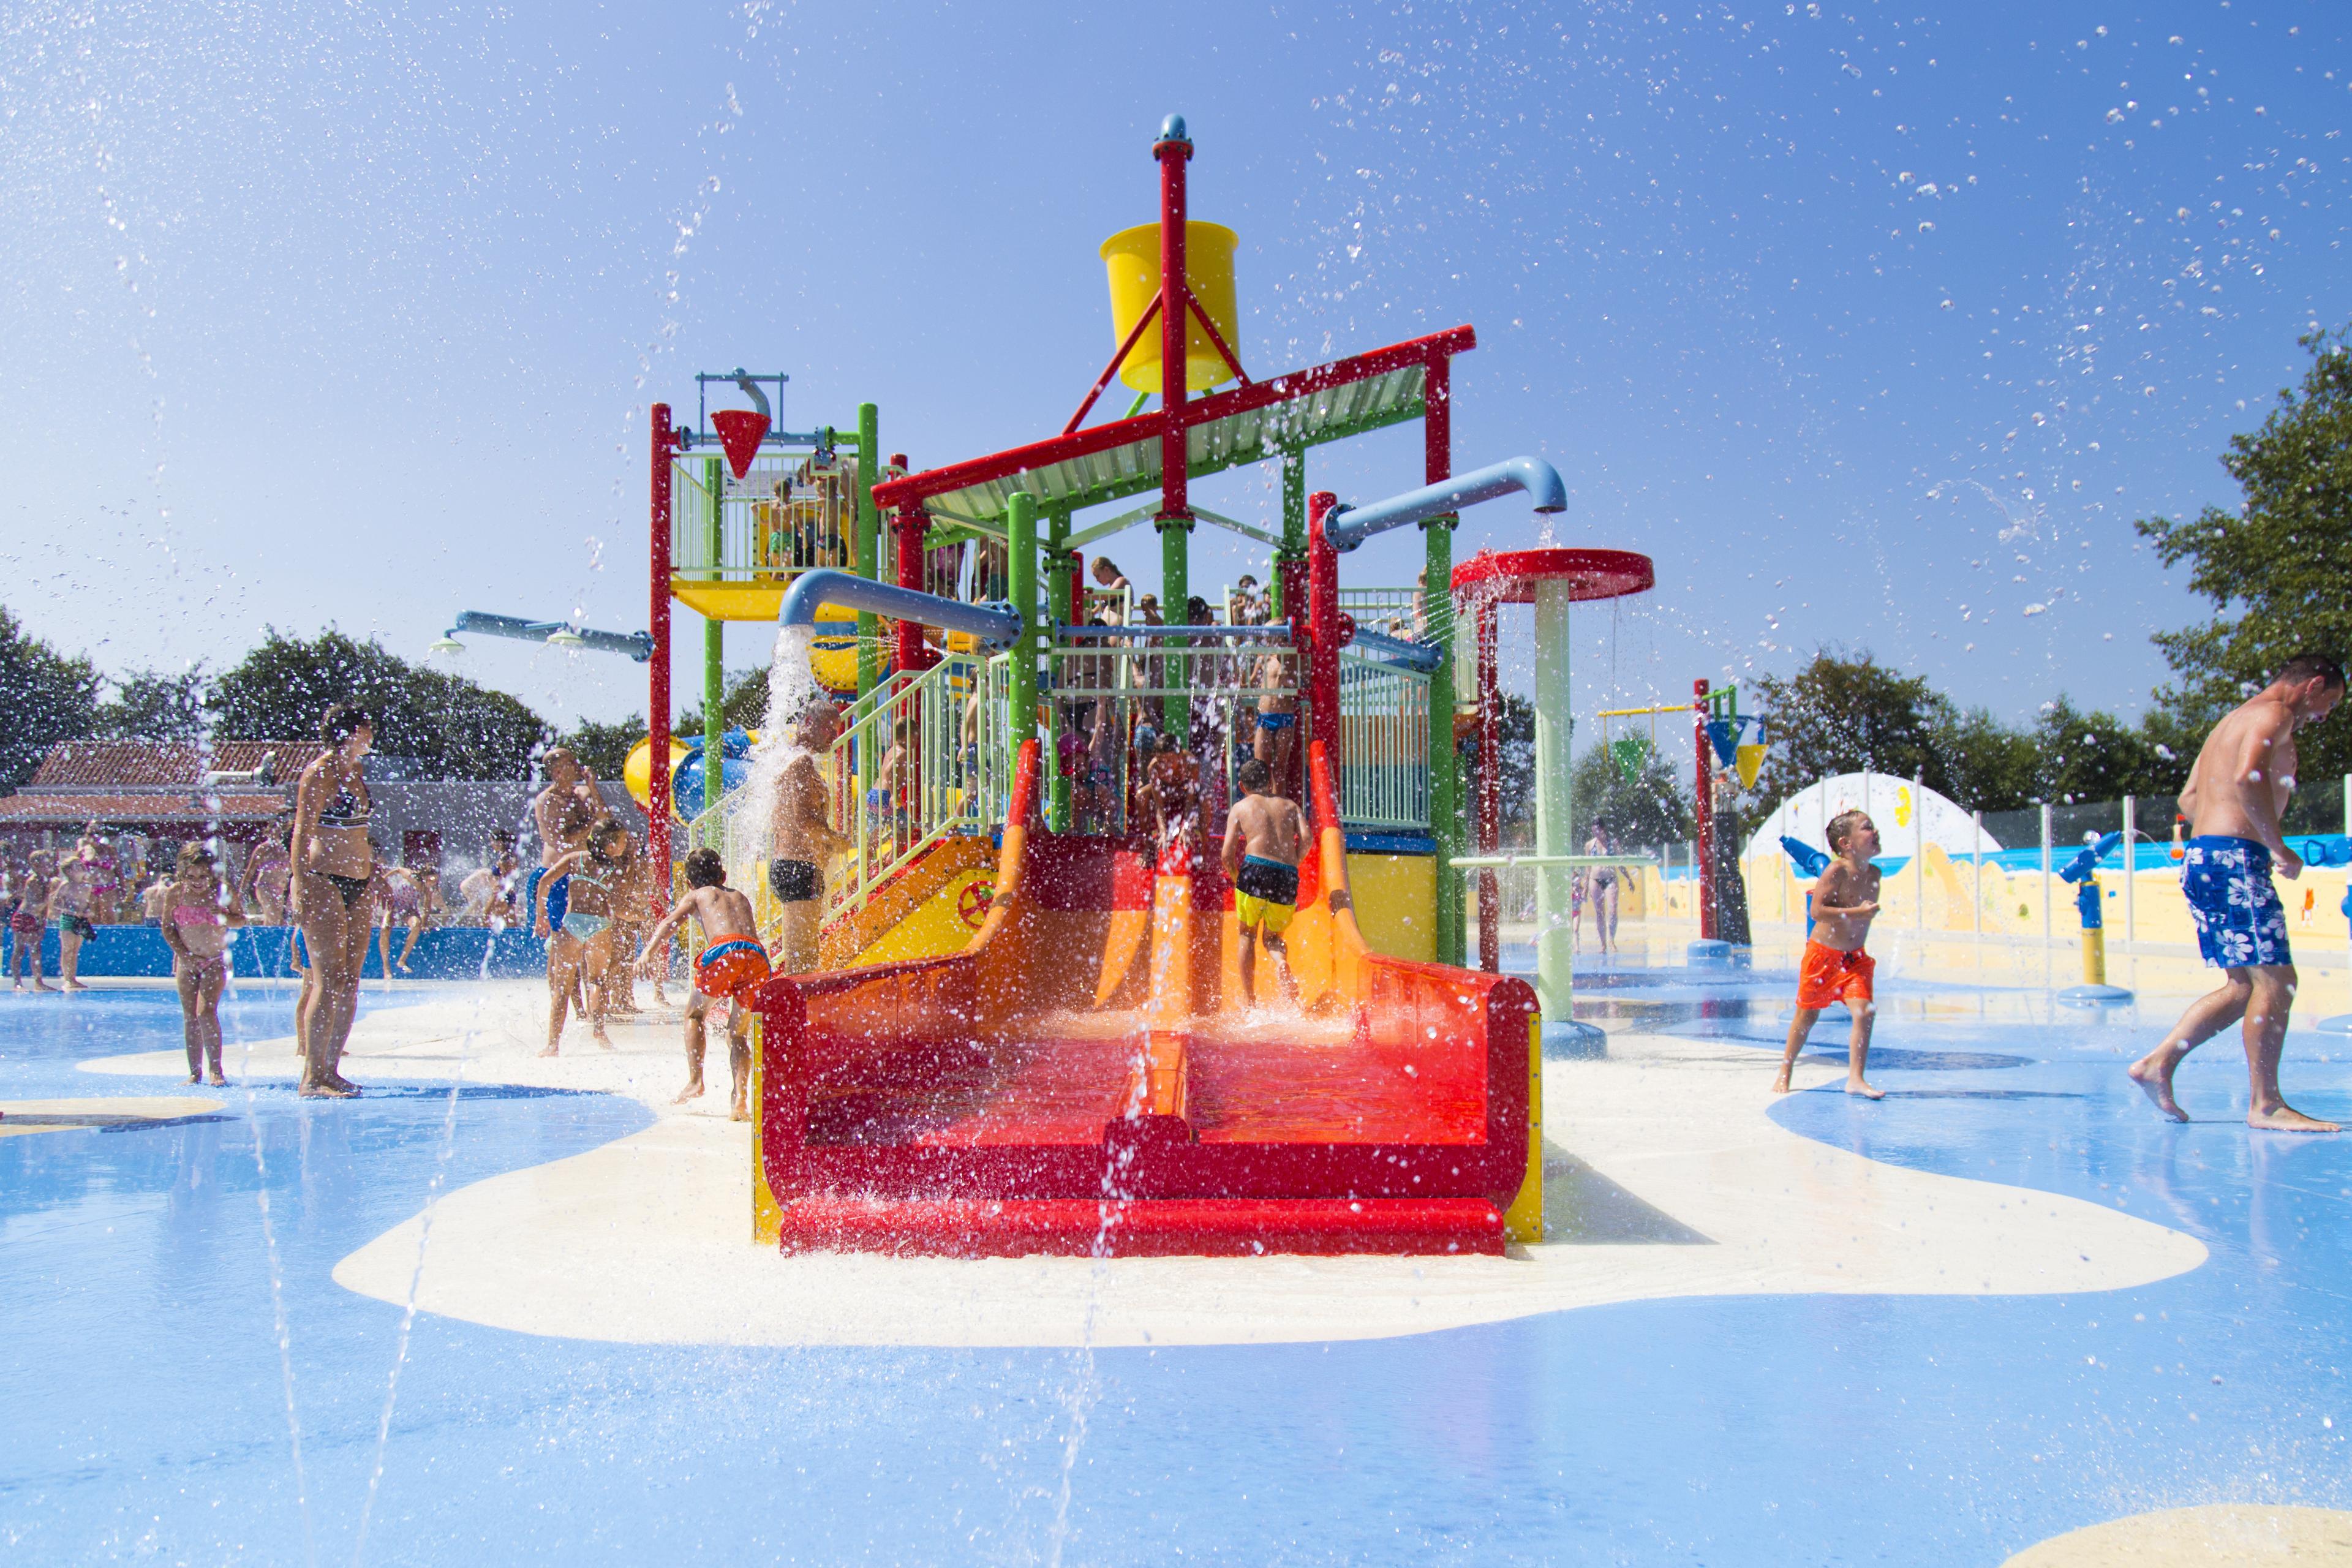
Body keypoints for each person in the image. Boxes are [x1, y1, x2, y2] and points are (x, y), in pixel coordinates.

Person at [2129, 654, 2345, 1133]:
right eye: (2329, 703)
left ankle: (2157, 1064)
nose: (2324, 715)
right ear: (2312, 685)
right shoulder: (2276, 713)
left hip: (2206, 858)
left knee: (2244, 986)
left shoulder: (2231, 722)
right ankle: (2266, 1106)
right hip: (2235, 861)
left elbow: (2189, 799)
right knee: (2278, 983)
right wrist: (2275, 846)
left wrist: (2225, 825)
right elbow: (2248, 777)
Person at [638, 847, 770, 1120]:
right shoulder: (739, 895)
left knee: (694, 1015)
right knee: (737, 1034)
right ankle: (740, 1098)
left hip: (724, 951)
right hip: (757, 956)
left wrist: (648, 952)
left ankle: (696, 1081)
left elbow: (670, 922)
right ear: (724, 875)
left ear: (689, 883)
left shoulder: (696, 895)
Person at [289, 704, 377, 1098]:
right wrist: (299, 883)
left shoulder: (356, 770)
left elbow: (359, 831)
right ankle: (312, 1077)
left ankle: (331, 1069)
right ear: (350, 732)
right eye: (367, 728)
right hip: (323, 878)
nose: (372, 735)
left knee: (350, 980)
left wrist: (375, 873)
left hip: (360, 879)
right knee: (328, 979)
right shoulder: (319, 772)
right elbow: (302, 831)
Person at [1774, 809, 1883, 1100]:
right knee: (1806, 1016)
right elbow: (1817, 911)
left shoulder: (1875, 874)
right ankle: (1786, 1068)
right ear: (1846, 843)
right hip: (1823, 958)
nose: (1875, 832)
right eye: (1867, 828)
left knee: (1865, 1012)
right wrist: (1857, 912)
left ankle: (1856, 1079)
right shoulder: (1836, 871)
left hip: (1855, 960)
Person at [766, 699, 850, 978]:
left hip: (791, 865)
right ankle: (795, 1005)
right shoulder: (800, 763)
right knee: (804, 960)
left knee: (801, 955)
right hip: (799, 867)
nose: (833, 736)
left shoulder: (790, 760)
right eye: (829, 728)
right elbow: (804, 821)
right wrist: (836, 840)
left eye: (836, 730)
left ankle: (794, 1002)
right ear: (809, 723)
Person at [533, 818, 631, 1055]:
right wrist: (640, 914)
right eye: (623, 841)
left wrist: (541, 916)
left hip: (573, 923)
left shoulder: (575, 859)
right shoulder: (617, 870)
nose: (625, 845)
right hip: (600, 925)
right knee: (597, 981)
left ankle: (552, 1045)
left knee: (562, 988)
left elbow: (545, 881)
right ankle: (599, 1032)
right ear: (610, 846)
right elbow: (619, 907)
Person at [160, 842, 247, 1086]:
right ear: (182, 874)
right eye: (191, 877)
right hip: (187, 961)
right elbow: (167, 928)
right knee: (190, 1016)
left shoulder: (222, 891)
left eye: (203, 876)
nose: (197, 882)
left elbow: (241, 921)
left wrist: (223, 916)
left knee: (206, 1012)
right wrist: (184, 955)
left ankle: (216, 1070)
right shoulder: (176, 893)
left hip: (215, 960)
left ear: (212, 873)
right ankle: (195, 1072)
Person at [1222, 759, 1305, 1003]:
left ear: (1242, 786)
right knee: (1273, 938)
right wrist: (1293, 863)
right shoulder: (1290, 806)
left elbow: (1226, 856)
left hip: (1254, 870)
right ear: (1270, 782)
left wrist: (1238, 879)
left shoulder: (1240, 807)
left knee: (1247, 935)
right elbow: (1308, 838)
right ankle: (1280, 962)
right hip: (1286, 874)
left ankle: (1250, 1001)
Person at [372, 861, 431, 978]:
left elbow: (427, 907)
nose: (433, 883)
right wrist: (382, 882)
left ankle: (402, 960)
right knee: (385, 929)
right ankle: (386, 967)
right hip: (394, 904)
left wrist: (424, 924)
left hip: (409, 909)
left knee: (416, 925)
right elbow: (398, 869)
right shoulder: (410, 875)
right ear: (425, 876)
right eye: (432, 880)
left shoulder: (428, 889)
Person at [47, 854, 96, 991]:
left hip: (81, 920)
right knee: (67, 949)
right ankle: (67, 979)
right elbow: (56, 903)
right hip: (68, 919)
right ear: (69, 871)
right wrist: (71, 911)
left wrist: (88, 911)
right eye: (77, 865)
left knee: (75, 950)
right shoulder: (66, 885)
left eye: (81, 864)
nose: (82, 866)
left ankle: (73, 978)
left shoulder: (87, 886)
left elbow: (86, 903)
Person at [9, 851, 53, 992]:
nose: (48, 867)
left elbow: (44, 908)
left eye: (49, 864)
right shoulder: (33, 881)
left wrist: (43, 923)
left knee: (36, 950)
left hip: (35, 918)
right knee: (20, 950)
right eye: (45, 865)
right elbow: (36, 905)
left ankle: (39, 982)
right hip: (23, 917)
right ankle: (17, 983)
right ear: (35, 865)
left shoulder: (45, 880)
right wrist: (52, 897)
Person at [1584, 826, 1621, 959]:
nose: (1596, 833)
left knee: (1613, 910)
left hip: (1611, 878)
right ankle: (1603, 944)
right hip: (1595, 880)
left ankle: (1612, 940)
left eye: (1598, 830)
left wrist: (1628, 878)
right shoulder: (1589, 845)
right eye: (1594, 831)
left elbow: (1620, 862)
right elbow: (1588, 867)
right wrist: (1585, 886)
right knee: (1600, 913)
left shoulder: (1613, 843)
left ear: (1604, 829)